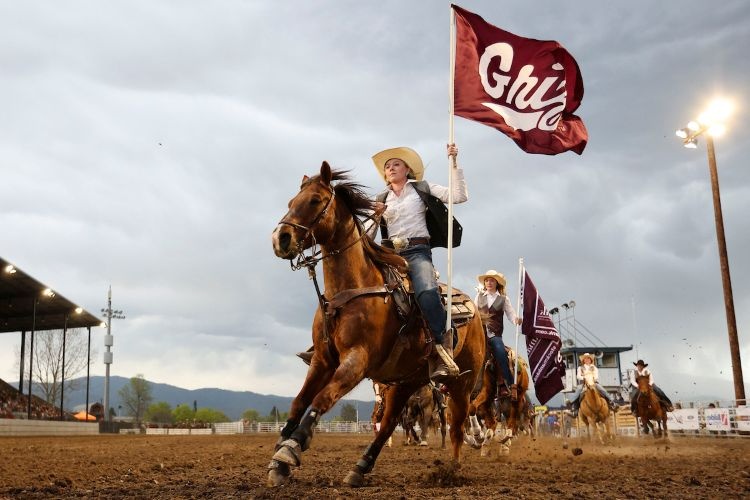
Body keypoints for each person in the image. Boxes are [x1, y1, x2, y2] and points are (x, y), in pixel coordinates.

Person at [368, 144, 468, 383]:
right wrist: (376, 216)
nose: (391, 168)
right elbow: (369, 234)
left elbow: (458, 197)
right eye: (387, 167)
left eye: (396, 164)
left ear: (408, 169)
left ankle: (442, 344)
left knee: (426, 291)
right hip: (388, 253)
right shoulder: (380, 199)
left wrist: (454, 163)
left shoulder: (422, 188)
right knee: (362, 288)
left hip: (417, 251)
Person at [474, 269, 521, 398]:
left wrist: (516, 320)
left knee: (500, 353)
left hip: (494, 335)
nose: (489, 282)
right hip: (480, 334)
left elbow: (511, 314)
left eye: (492, 280)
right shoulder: (479, 297)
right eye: (487, 280)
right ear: (484, 283)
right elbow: (474, 314)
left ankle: (509, 384)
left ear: (497, 283)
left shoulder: (503, 299)